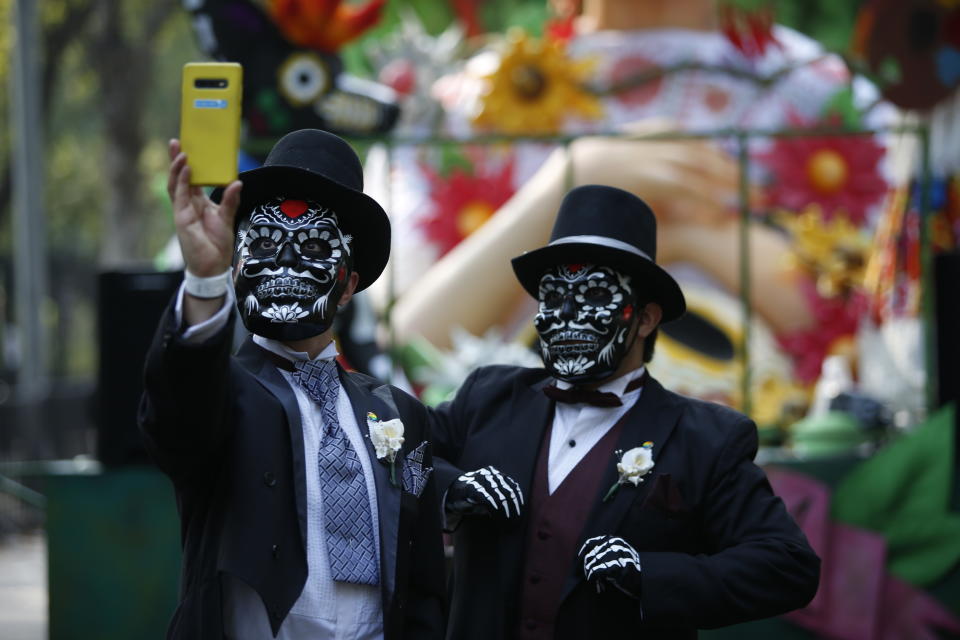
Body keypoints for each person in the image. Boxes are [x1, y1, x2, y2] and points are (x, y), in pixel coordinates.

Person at [429, 185, 820, 640]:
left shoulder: (707, 438)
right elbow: (397, 459)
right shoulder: (486, 398)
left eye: (594, 295)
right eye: (552, 297)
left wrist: (649, 575)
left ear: (647, 318)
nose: (566, 315)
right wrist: (452, 489)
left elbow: (787, 566)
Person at [138, 129, 446, 639]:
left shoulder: (400, 418)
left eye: (313, 246)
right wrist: (202, 284)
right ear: (238, 267)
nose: (284, 261)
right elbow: (176, 416)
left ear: (348, 284)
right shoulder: (222, 395)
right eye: (263, 242)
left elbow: (423, 586)